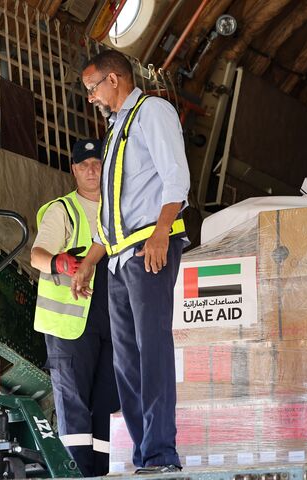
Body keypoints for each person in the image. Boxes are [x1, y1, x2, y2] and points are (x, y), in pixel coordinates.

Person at [71, 50, 190, 474]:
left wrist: (161, 232)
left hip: (148, 250)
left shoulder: (151, 111)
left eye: (92, 88)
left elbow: (176, 176)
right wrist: (90, 261)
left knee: (151, 349)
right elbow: (113, 211)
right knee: (126, 360)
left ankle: (161, 454)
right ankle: (145, 455)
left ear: (115, 80)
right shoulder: (116, 128)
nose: (91, 98)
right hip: (120, 259)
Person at [31, 139, 120, 477]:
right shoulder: (63, 210)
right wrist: (61, 263)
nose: (92, 169)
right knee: (74, 405)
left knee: (109, 406)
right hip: (70, 324)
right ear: (74, 170)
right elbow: (37, 256)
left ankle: (104, 473)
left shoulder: (121, 210)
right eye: (84, 164)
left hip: (113, 320)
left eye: (97, 162)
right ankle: (75, 473)